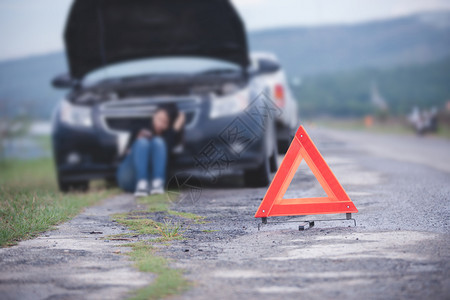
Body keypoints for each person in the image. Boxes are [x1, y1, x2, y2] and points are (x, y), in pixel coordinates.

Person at [116, 104, 185, 197]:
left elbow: (168, 153)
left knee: (158, 142)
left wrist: (176, 127)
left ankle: (157, 184)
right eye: (159, 119)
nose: (160, 124)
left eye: (165, 122)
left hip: (152, 181)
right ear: (154, 116)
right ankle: (142, 183)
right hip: (130, 178)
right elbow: (126, 154)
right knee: (143, 143)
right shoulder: (140, 127)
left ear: (169, 126)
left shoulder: (167, 137)